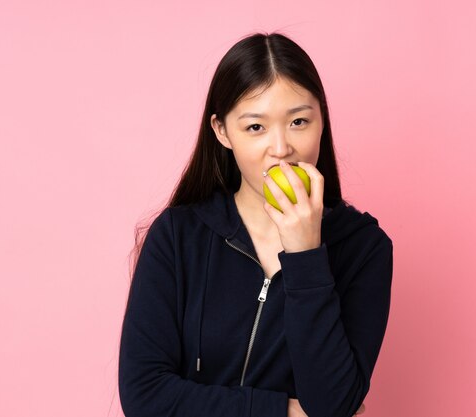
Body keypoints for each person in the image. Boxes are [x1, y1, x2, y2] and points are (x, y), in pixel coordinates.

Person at [118, 31, 393, 417]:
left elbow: (332, 404)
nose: (281, 148)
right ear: (222, 131)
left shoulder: (364, 248)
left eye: (299, 121)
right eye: (255, 127)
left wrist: (306, 254)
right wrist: (283, 412)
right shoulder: (178, 237)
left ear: (322, 121)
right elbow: (144, 397)